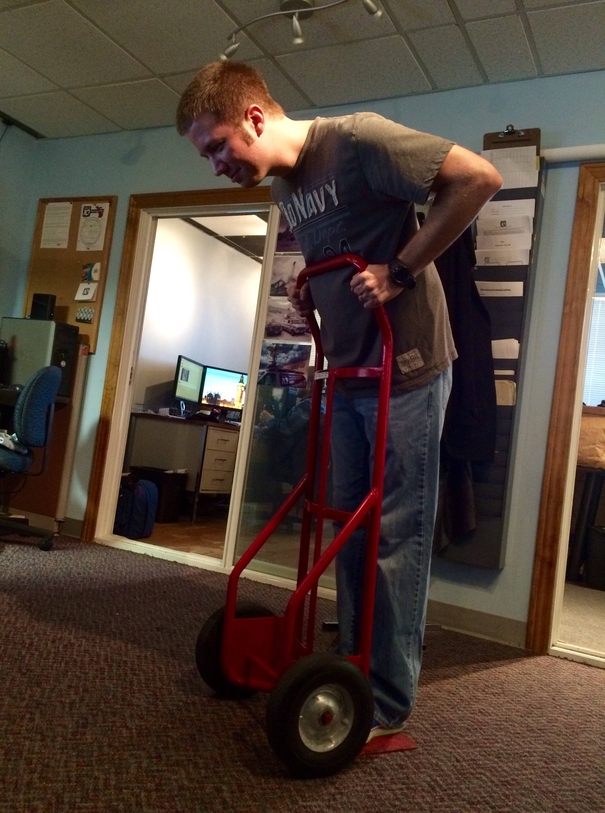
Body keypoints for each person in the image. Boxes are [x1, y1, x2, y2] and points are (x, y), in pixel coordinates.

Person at [176, 62, 502, 742]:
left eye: (216, 147)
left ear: (256, 119)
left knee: (395, 536)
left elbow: (477, 179)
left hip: (408, 366)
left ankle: (384, 699)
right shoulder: (285, 186)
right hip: (352, 372)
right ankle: (350, 661)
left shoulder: (357, 141)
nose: (214, 165)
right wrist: (311, 290)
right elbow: (346, 253)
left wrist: (402, 269)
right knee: (347, 529)